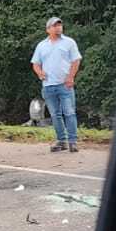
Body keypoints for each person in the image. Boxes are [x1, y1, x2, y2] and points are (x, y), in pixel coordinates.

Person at [31, 17, 82, 153]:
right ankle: (61, 141)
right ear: (48, 29)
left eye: (60, 25)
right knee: (55, 114)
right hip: (48, 86)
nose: (58, 27)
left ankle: (72, 141)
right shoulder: (42, 45)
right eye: (55, 25)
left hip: (65, 85)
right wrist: (40, 72)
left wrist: (71, 77)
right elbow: (35, 63)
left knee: (69, 113)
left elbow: (76, 61)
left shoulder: (69, 42)